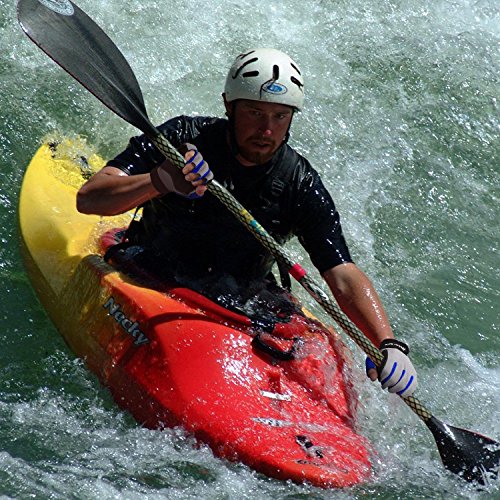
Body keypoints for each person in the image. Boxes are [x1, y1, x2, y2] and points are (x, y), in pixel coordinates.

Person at [77, 48, 417, 397]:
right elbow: (90, 197)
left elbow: (342, 273)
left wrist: (388, 343)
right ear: (229, 106)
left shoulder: (300, 184)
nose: (266, 130)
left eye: (280, 116)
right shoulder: (181, 139)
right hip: (153, 273)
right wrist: (160, 180)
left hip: (242, 301)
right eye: (255, 113)